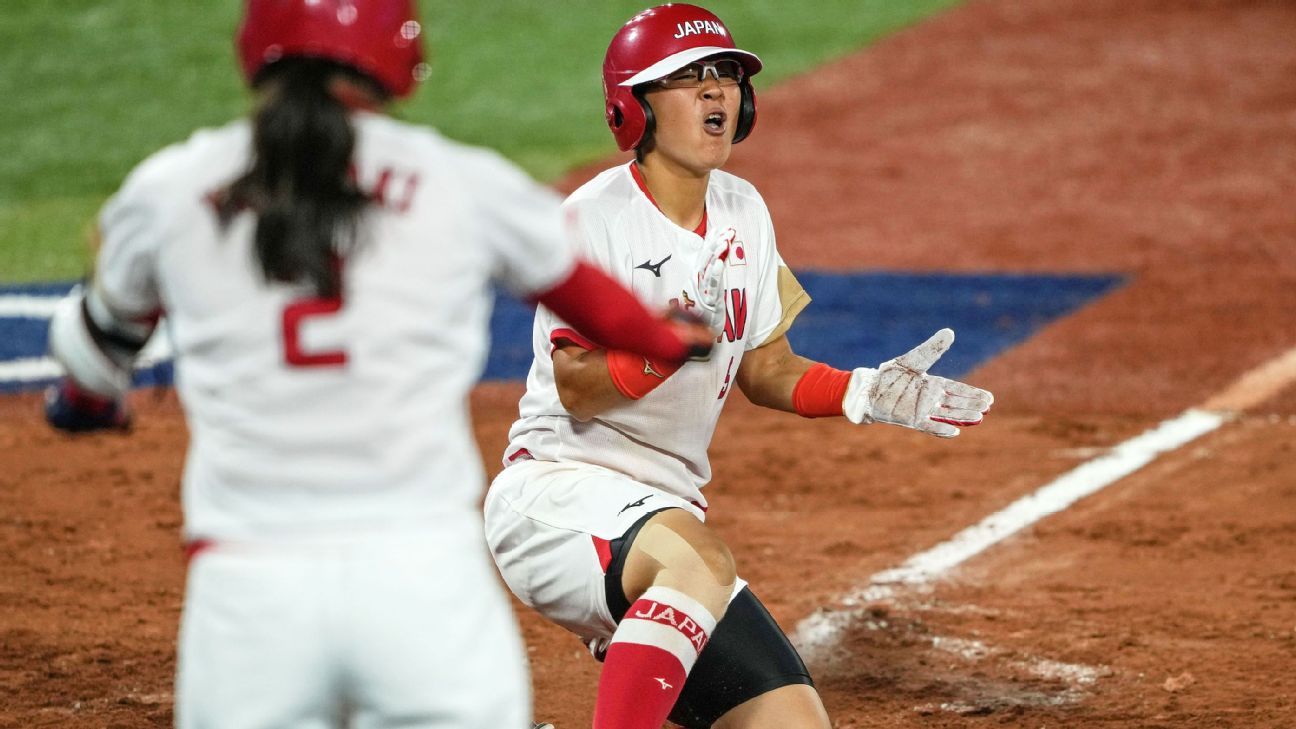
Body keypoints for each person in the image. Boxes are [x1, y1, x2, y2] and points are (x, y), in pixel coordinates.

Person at [41, 1, 719, 727]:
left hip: (248, 589)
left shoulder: (170, 188)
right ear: (399, 58)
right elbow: (595, 303)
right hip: (419, 577)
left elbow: (93, 346)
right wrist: (667, 335)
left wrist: (87, 404)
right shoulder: (459, 182)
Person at [483, 5, 995, 729]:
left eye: (724, 76)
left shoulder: (743, 211)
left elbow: (765, 367)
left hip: (662, 519)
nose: (717, 92)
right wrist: (658, 351)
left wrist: (867, 391)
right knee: (702, 560)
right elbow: (577, 385)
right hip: (558, 497)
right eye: (689, 79)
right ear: (635, 106)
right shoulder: (592, 218)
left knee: (793, 723)